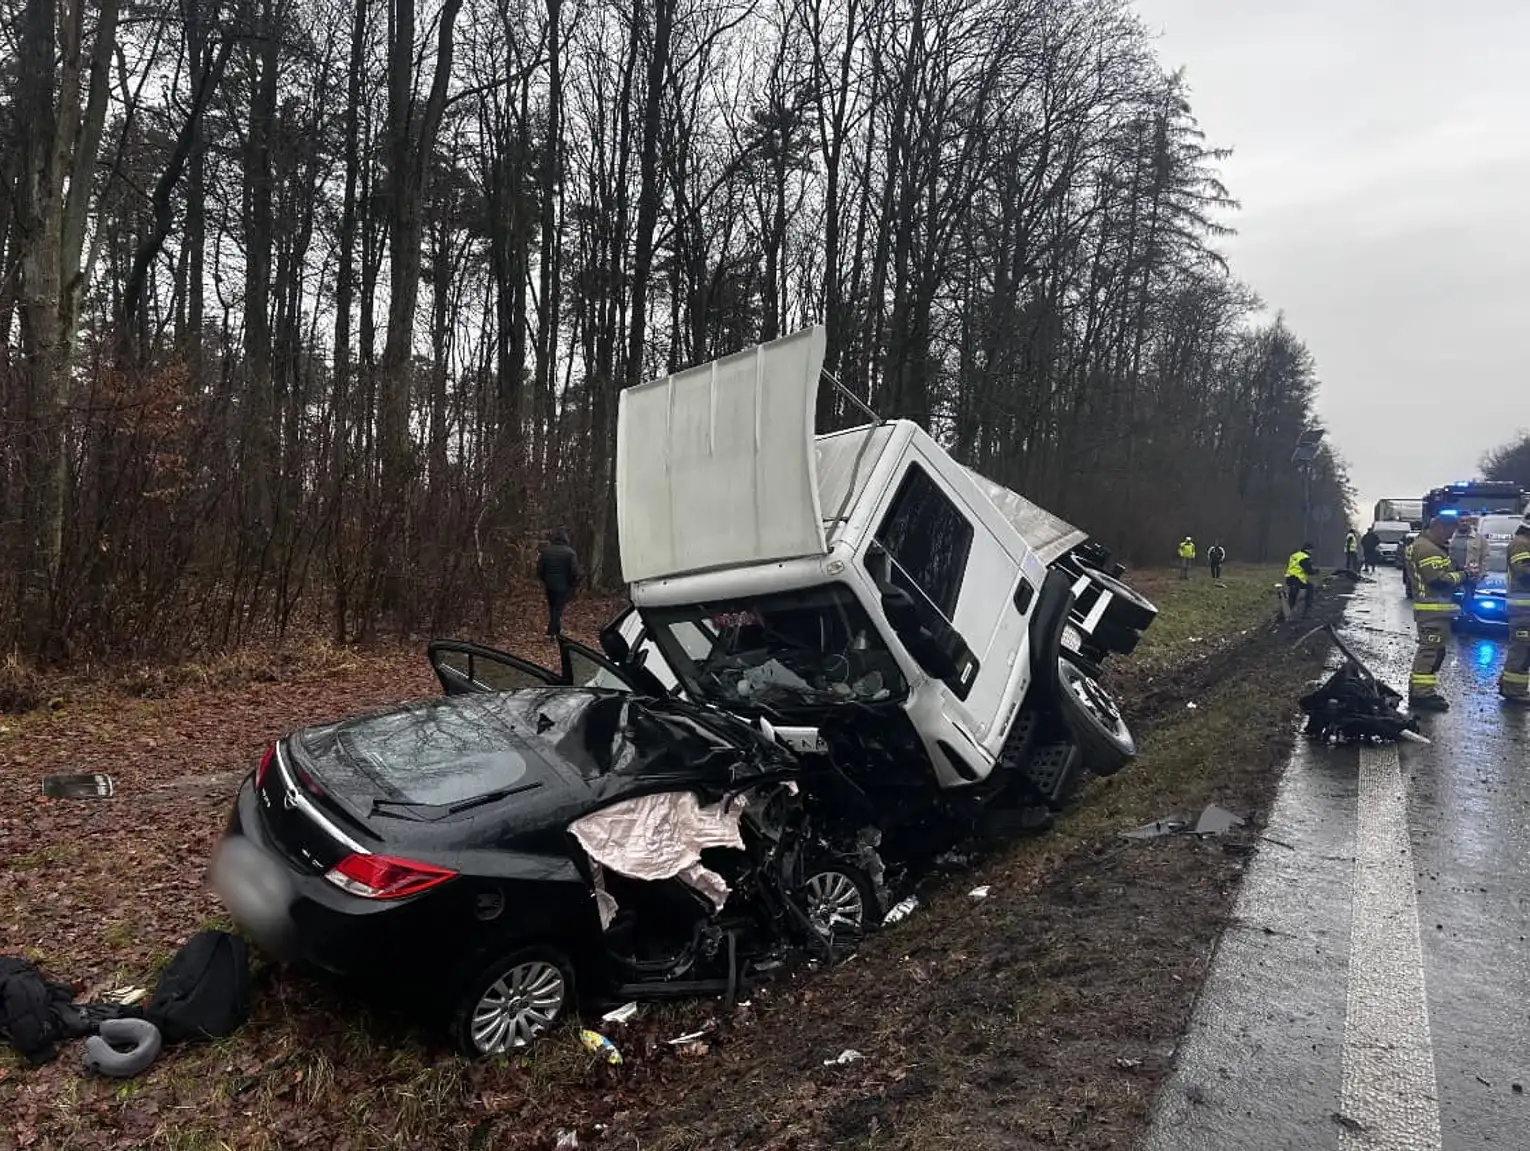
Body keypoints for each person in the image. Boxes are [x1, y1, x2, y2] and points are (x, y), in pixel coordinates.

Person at [1407, 515, 1470, 712]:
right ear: (1439, 527)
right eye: (1449, 531)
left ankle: (1422, 691)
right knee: (1430, 652)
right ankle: (1421, 695)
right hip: (1432, 611)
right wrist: (1464, 575)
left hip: (1435, 611)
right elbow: (1437, 580)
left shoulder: (1427, 546)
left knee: (1435, 652)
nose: (1450, 537)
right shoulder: (1426, 549)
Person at [1498, 515, 1530, 705]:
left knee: (1524, 649)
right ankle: (1514, 690)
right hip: (1522, 610)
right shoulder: (1521, 544)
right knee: (1522, 650)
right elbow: (1524, 572)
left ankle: (1509, 685)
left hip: (1524, 609)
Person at [536, 528, 581, 638]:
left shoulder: (546, 552)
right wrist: (572, 583)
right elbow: (574, 571)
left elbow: (539, 569)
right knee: (558, 609)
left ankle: (556, 631)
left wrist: (545, 580)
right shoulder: (570, 553)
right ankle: (551, 632)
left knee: (552, 608)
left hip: (549, 584)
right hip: (563, 585)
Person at [1285, 544, 1318, 618]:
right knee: (1310, 588)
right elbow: (1308, 570)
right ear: (1308, 549)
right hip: (1297, 579)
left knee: (1293, 595)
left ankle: (1288, 611)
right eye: (1312, 550)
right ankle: (1307, 609)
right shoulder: (1304, 557)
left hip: (1289, 577)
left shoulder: (1294, 555)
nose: (1312, 552)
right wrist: (1315, 571)